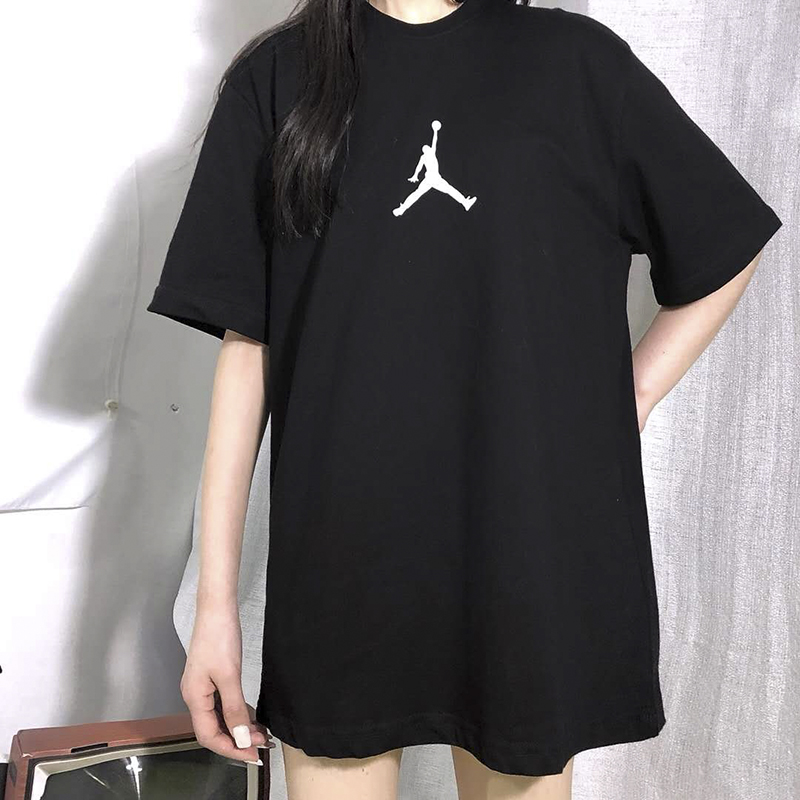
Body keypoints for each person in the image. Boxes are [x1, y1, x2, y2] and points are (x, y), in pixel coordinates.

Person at [145, 0, 783, 798]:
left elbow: (723, 235)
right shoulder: (278, 79)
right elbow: (250, 351)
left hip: (526, 549)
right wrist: (214, 610)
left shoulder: (574, 63)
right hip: (343, 559)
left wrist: (629, 399)